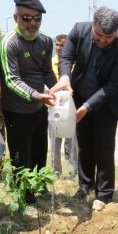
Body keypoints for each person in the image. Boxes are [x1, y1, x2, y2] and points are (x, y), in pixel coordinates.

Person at [50, 6, 118, 205]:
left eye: (109, 36)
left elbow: (114, 84)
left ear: (116, 33)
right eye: (99, 34)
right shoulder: (79, 31)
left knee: (104, 147)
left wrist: (88, 105)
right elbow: (67, 58)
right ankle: (84, 186)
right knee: (84, 144)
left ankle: (104, 194)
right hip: (79, 97)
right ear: (92, 25)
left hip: (106, 102)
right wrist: (64, 77)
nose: (103, 40)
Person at [0, 0, 57, 204]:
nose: (33, 23)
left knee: (40, 150)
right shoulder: (8, 43)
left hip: (39, 108)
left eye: (37, 18)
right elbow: (11, 80)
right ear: (16, 18)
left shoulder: (46, 41)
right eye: (26, 18)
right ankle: (25, 197)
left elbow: (47, 72)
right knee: (21, 155)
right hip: (16, 110)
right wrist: (36, 95)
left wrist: (58, 89)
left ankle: (39, 185)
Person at [49, 34, 79, 179]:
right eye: (57, 44)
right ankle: (56, 172)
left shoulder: (74, 65)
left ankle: (73, 171)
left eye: (62, 45)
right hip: (54, 108)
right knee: (54, 141)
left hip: (70, 108)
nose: (59, 48)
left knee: (72, 141)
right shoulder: (50, 63)